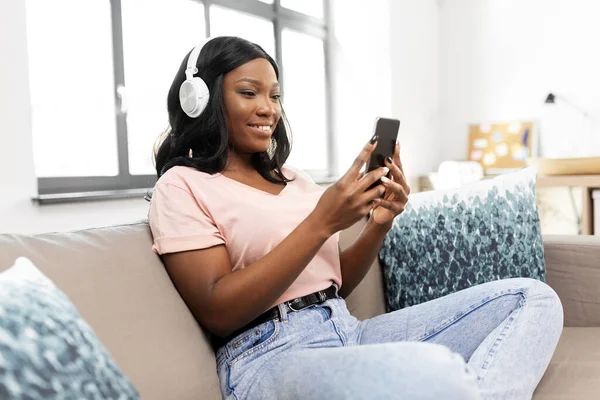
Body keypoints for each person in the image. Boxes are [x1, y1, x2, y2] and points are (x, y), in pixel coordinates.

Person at [147, 36, 563, 400]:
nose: (268, 109)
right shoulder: (182, 186)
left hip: (347, 330)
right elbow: (218, 311)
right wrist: (321, 223)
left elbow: (333, 283)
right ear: (200, 99)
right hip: (267, 355)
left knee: (534, 298)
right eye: (248, 92)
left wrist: (379, 223)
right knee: (437, 374)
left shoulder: (293, 179)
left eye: (274, 96)